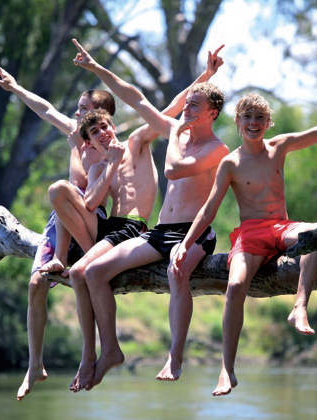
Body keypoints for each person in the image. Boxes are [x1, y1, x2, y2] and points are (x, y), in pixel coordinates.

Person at [171, 64, 317, 396]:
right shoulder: (230, 163)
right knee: (235, 285)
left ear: (268, 124)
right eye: (247, 117)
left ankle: (300, 306)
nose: (253, 123)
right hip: (251, 234)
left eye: (260, 118)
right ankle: (227, 369)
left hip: (282, 226)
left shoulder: (279, 146)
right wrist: (186, 243)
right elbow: (209, 208)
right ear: (237, 123)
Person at [64, 39, 227, 391]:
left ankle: (175, 356)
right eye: (187, 103)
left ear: (212, 112)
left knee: (176, 272)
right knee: (92, 272)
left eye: (194, 105)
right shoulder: (174, 130)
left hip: (194, 231)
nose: (185, 108)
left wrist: (174, 140)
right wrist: (96, 69)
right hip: (160, 232)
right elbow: (135, 97)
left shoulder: (217, 148)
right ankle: (110, 350)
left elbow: (176, 172)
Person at [0, 66, 115, 401]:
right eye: (76, 108)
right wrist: (16, 88)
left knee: (63, 193)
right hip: (59, 218)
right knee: (35, 284)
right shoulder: (75, 134)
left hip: (91, 223)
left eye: (83, 109)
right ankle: (35, 366)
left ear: (100, 115)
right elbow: (46, 109)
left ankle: (95, 352)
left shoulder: (109, 147)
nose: (76, 113)